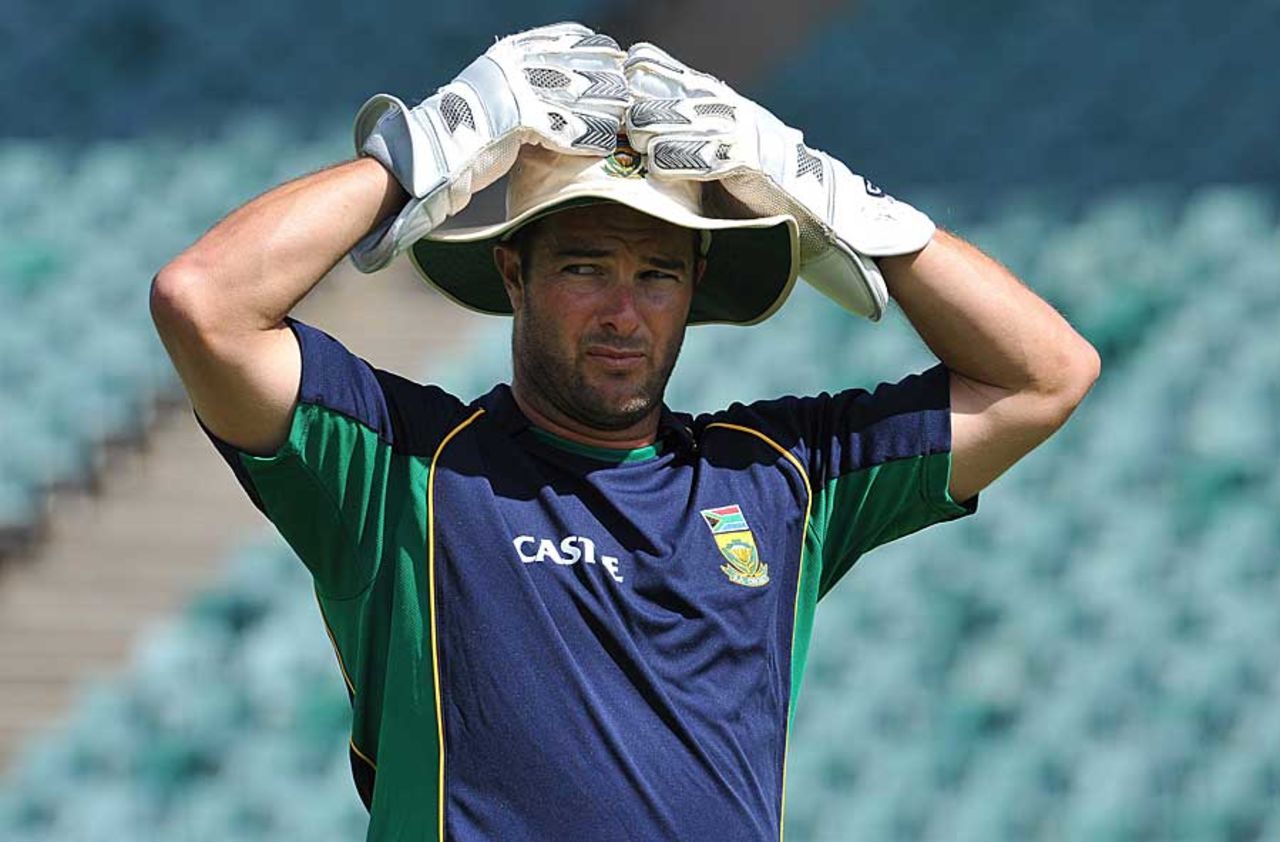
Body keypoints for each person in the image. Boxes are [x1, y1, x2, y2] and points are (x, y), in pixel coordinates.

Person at [150, 23, 1099, 842]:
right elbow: (205, 305)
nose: (622, 312)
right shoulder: (404, 466)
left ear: (693, 289)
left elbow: (1046, 375)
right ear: (515, 274)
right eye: (585, 267)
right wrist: (428, 146)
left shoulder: (780, 478)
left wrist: (838, 202)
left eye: (656, 275)